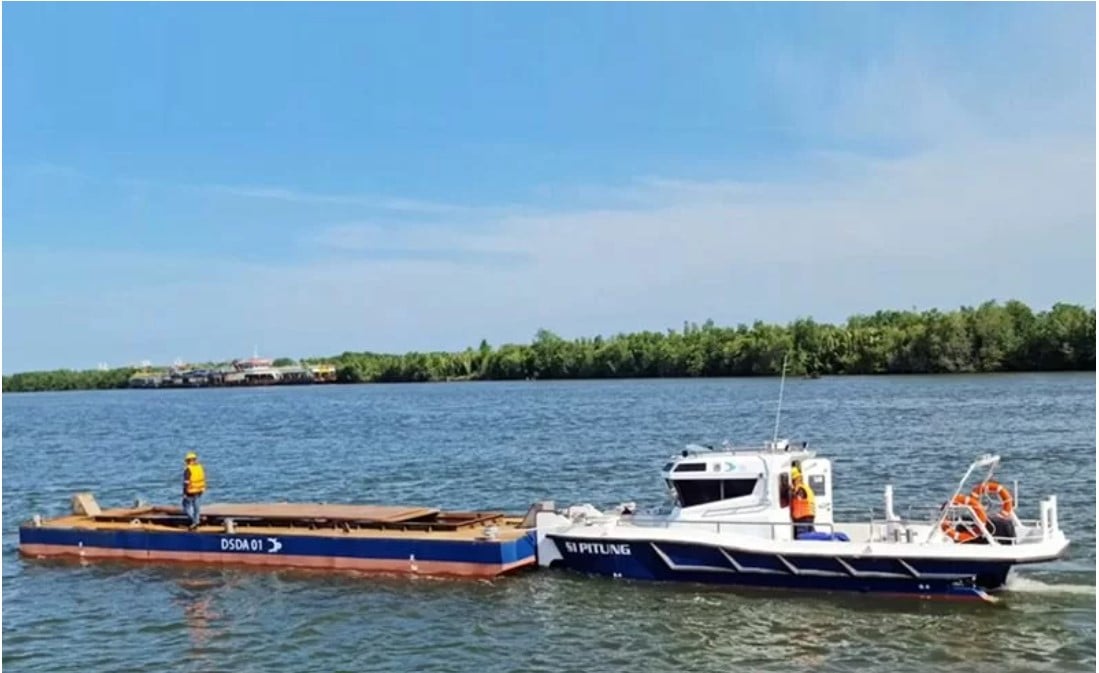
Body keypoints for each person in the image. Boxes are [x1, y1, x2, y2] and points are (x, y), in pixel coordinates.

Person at [181, 451, 206, 530]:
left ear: (189, 460)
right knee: (196, 507)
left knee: (186, 506)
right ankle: (197, 520)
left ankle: (195, 521)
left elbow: (186, 483)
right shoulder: (200, 467)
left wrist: (184, 493)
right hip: (199, 491)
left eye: (187, 460)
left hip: (190, 492)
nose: (187, 462)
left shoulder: (188, 470)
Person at [790, 465, 816, 539]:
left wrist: (791, 492)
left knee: (802, 537)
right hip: (809, 516)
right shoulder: (805, 487)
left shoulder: (799, 488)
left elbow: (799, 497)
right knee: (810, 535)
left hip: (803, 518)